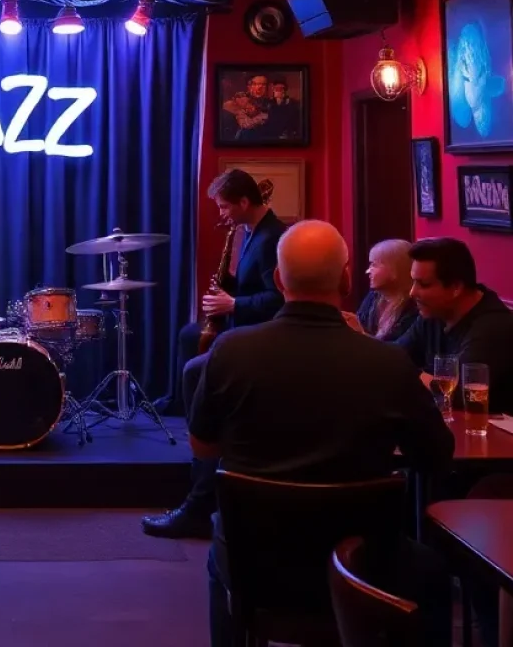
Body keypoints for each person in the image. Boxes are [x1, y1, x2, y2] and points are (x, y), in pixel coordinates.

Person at [188, 220, 455, 647]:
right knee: (434, 573)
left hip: (257, 560)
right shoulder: (388, 364)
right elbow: (437, 457)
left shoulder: (231, 351)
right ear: (347, 278)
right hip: (366, 562)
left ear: (278, 279)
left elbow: (202, 446)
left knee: (220, 555)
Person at [146, 168, 287, 538]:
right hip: (246, 324)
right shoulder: (248, 232)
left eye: (225, 207)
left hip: (261, 332)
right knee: (189, 335)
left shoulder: (274, 237)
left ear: (244, 202)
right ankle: (186, 410)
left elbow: (278, 298)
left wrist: (233, 303)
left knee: (196, 368)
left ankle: (202, 475)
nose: (221, 214)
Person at [395, 237, 513, 414]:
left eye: (424, 284)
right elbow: (395, 354)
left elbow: (457, 394)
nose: (412, 292)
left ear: (456, 287)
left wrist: (408, 372)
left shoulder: (493, 327)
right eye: (413, 282)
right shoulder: (433, 313)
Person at [356, 238, 418, 341]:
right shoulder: (373, 296)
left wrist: (359, 333)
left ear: (396, 268)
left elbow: (400, 350)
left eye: (374, 265)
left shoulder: (413, 305)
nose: (368, 271)